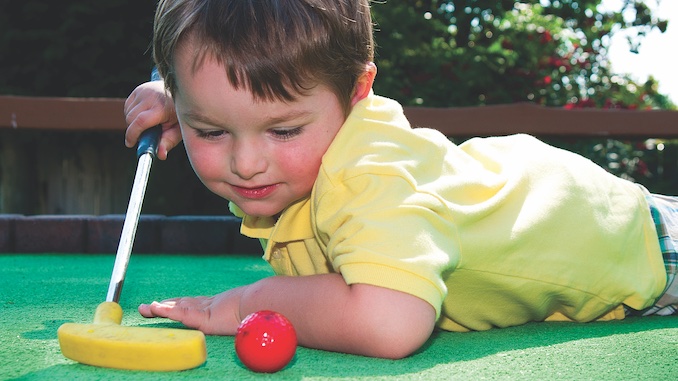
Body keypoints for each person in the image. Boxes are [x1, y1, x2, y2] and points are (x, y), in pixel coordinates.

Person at [124, 0, 677, 359]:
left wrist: (247, 302)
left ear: (358, 90)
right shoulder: (294, 131)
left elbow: (389, 322)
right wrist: (183, 99)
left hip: (647, 245)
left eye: (284, 130)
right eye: (212, 130)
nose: (246, 163)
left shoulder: (370, 175)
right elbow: (239, 98)